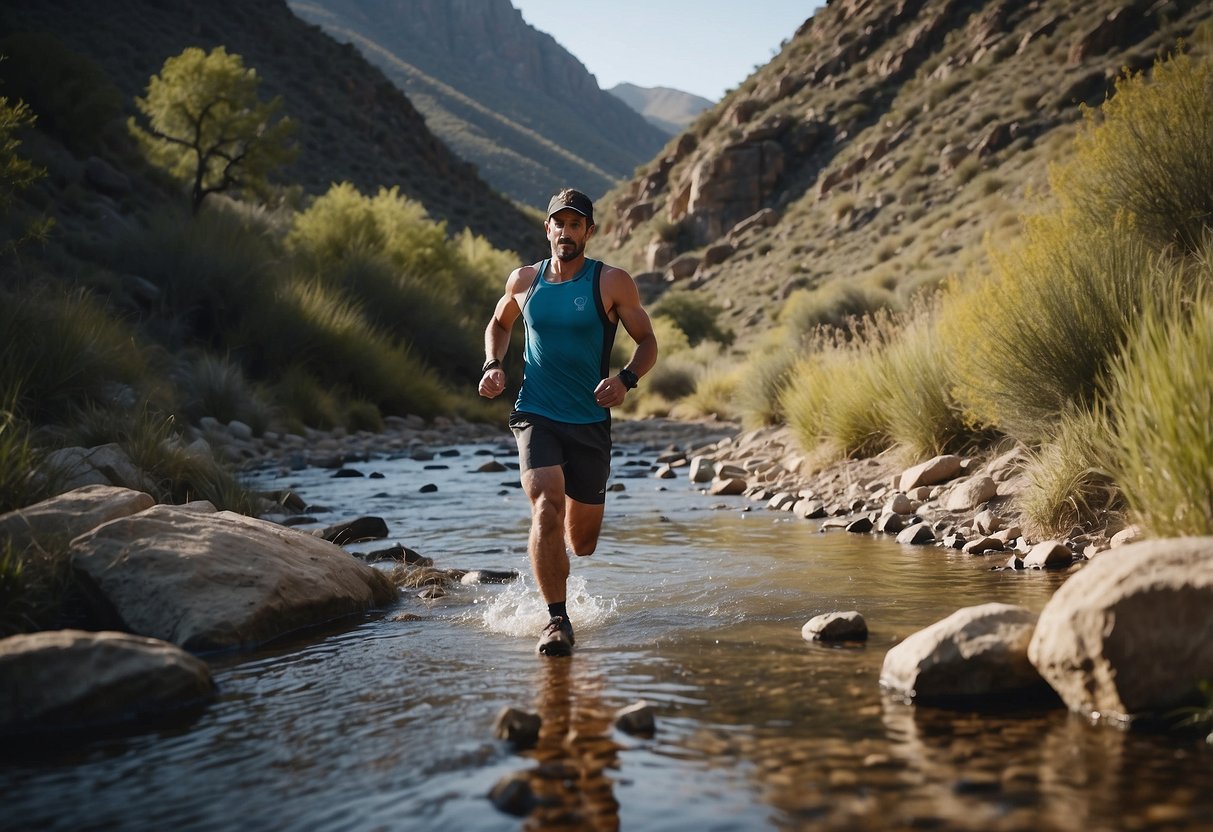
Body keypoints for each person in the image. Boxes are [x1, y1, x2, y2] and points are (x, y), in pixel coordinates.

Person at [478, 187, 657, 657]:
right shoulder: (524, 280)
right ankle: (557, 619)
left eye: (576, 224)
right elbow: (498, 324)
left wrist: (626, 380)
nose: (566, 232)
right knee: (545, 506)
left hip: (590, 421)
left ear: (589, 232)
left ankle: (560, 576)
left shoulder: (612, 282)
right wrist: (492, 364)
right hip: (536, 411)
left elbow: (647, 343)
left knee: (582, 542)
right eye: (559, 223)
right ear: (548, 228)